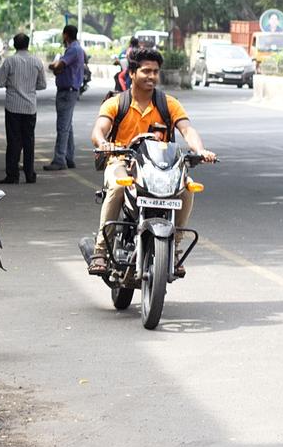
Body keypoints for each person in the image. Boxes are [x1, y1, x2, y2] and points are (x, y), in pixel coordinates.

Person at [88, 47, 216, 276]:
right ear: (132, 73)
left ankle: (174, 247)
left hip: (160, 167)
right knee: (118, 187)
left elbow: (187, 130)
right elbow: (99, 130)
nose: (152, 76)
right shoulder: (116, 103)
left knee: (187, 189)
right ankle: (100, 250)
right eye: (146, 71)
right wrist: (103, 143)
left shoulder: (169, 104)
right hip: (122, 162)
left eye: (155, 72)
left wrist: (200, 150)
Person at [0, 33, 47, 184]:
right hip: (30, 107)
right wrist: (29, 87)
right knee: (29, 141)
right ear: (27, 44)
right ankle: (30, 175)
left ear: (14, 45)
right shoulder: (36, 61)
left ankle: (13, 174)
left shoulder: (10, 61)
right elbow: (42, 85)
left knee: (14, 141)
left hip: (13, 106)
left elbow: (0, 82)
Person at [44, 24, 85, 170]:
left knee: (62, 126)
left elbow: (58, 66)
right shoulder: (75, 49)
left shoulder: (73, 49)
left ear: (66, 35)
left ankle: (59, 159)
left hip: (67, 91)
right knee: (67, 125)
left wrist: (54, 67)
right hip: (69, 90)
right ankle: (69, 157)